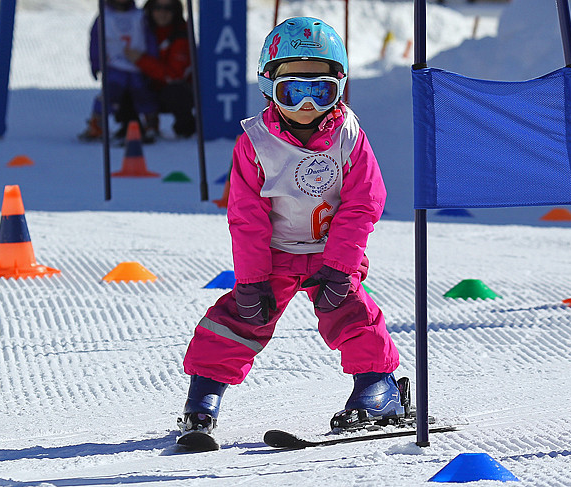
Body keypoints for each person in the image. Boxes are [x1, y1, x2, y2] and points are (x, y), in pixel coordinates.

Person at [178, 17, 403, 442]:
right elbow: (247, 217)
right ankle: (205, 393)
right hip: (276, 252)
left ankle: (378, 385)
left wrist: (340, 266)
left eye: (320, 91)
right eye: (292, 90)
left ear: (339, 87)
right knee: (239, 319)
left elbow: (363, 203)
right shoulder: (256, 142)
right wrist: (251, 281)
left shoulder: (349, 137)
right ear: (270, 88)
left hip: (328, 250)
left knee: (351, 312)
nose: (306, 104)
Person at [78, 0, 160, 144]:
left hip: (137, 64)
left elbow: (150, 38)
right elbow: (96, 41)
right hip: (113, 64)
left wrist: (151, 60)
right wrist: (96, 63)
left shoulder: (140, 16)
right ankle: (98, 122)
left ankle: (150, 121)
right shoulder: (104, 16)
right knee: (111, 92)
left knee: (142, 91)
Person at [121, 0, 196, 139]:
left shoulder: (181, 35)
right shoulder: (140, 29)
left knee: (176, 90)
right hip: (146, 87)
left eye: (168, 8)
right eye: (157, 8)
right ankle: (131, 128)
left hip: (171, 91)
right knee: (122, 85)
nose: (162, 13)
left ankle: (186, 128)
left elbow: (174, 75)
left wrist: (140, 60)